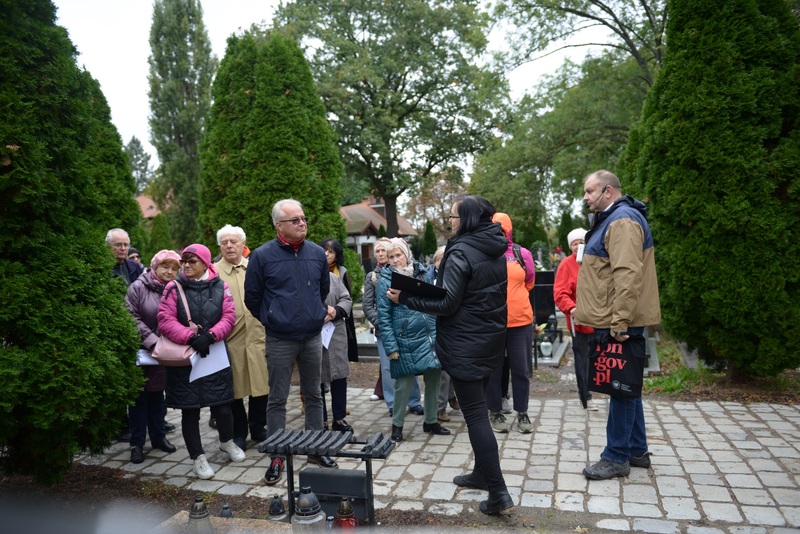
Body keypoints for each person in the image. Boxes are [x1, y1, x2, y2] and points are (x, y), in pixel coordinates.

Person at [388, 195, 513, 515]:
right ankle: (482, 473)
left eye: (454, 218)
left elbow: (447, 303)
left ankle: (498, 491)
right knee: (479, 411)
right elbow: (472, 294)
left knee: (474, 416)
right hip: (490, 340)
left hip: (465, 343)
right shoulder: (495, 245)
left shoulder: (461, 250)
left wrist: (407, 298)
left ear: (469, 218)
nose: (451, 223)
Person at [244, 199, 337, 486]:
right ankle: (277, 454)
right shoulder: (262, 256)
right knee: (277, 398)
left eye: (303, 218)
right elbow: (252, 298)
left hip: (311, 336)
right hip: (280, 338)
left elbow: (322, 289)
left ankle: (315, 447)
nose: (302, 223)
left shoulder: (316, 254)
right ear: (279, 226)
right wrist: (273, 319)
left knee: (314, 394)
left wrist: (314, 314)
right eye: (294, 220)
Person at [574, 170, 661, 480]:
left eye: (589, 191)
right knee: (626, 383)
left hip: (619, 320)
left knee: (620, 387)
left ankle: (616, 457)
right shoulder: (613, 219)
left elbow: (627, 274)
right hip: (616, 317)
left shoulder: (622, 220)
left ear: (607, 191)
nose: (585, 197)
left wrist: (620, 321)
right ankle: (636, 450)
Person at [157, 244, 245, 480]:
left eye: (191, 261)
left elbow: (229, 316)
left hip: (214, 354)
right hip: (188, 359)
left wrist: (211, 336)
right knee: (190, 411)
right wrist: (192, 337)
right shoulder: (173, 289)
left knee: (223, 406)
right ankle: (198, 457)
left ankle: (226, 442)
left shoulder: (221, 286)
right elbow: (165, 319)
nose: (186, 266)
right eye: (183, 261)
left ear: (205, 263)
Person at [377, 238, 449, 442]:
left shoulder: (422, 273)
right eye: (390, 257)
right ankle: (397, 425)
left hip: (428, 335)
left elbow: (432, 299)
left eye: (398, 255)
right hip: (404, 338)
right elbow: (383, 315)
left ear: (406, 254)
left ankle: (431, 420)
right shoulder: (385, 280)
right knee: (403, 383)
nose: (394, 260)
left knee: (434, 377)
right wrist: (391, 346)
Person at [215, 225, 269, 451]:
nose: (229, 245)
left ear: (242, 244)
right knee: (234, 390)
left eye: (234, 241)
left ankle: (258, 427)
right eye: (225, 242)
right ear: (219, 246)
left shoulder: (255, 267)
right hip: (230, 341)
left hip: (258, 336)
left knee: (262, 385)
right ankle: (240, 431)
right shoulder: (213, 272)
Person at [124, 250, 180, 464]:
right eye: (166, 267)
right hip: (141, 350)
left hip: (165, 351)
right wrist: (152, 341)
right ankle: (137, 443)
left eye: (175, 268)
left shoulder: (175, 289)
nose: (170, 272)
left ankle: (158, 437)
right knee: (139, 398)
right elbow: (131, 316)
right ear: (155, 267)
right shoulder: (138, 287)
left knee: (157, 396)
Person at [486, 212, 536, 434]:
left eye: (503, 230)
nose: (500, 234)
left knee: (521, 369)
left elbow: (529, 283)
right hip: (493, 323)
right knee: (493, 370)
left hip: (520, 322)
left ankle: (522, 412)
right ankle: (495, 411)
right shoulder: (485, 255)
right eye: (496, 230)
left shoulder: (521, 254)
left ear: (509, 231)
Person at [361, 238, 423, 417]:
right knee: (388, 368)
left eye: (384, 251)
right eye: (378, 251)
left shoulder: (405, 273)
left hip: (407, 328)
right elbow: (367, 306)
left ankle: (414, 401)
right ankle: (392, 403)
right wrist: (383, 323)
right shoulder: (373, 277)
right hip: (384, 330)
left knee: (410, 364)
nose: (382, 254)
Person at [553, 228, 597, 411]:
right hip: (579, 320)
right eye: (574, 243)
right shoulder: (566, 264)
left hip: (598, 318)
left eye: (581, 241)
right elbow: (560, 291)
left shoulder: (595, 261)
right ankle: (585, 395)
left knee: (598, 359)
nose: (578, 245)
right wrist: (571, 307)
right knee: (583, 359)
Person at [107, 227, 144, 443]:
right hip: (114, 329)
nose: (122, 249)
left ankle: (142, 421)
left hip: (136, 328)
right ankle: (119, 424)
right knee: (117, 379)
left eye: (125, 245)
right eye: (117, 245)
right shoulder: (103, 268)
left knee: (137, 378)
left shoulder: (133, 267)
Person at [428, 245, 459, 423]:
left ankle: (451, 395)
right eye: (438, 259)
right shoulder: (429, 277)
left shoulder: (455, 275)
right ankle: (440, 407)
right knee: (442, 371)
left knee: (454, 367)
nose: (442, 262)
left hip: (453, 326)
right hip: (436, 327)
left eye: (444, 258)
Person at [321, 270, 354, 433]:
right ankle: (320, 421)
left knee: (340, 376)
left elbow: (346, 298)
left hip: (335, 331)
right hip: (313, 333)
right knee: (316, 379)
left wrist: (336, 310)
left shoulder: (333, 278)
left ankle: (339, 419)